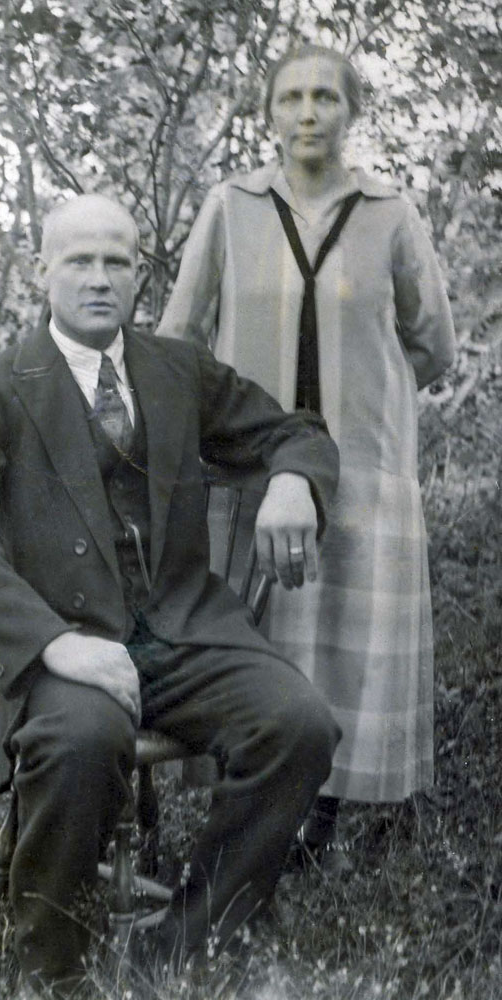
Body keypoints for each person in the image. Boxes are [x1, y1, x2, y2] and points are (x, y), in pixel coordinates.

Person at [0, 193, 341, 998]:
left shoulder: (177, 369)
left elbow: (296, 431)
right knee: (80, 740)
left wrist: (293, 482)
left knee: (299, 725)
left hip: (180, 629)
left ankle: (189, 939)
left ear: (139, 273)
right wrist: (54, 644)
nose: (99, 277)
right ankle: (54, 962)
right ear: (42, 271)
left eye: (117, 261)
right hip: (59, 641)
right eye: (79, 260)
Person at [157, 45, 456, 861]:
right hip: (248, 470)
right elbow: (179, 336)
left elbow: (432, 344)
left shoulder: (391, 213)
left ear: (352, 110)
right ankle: (250, 809)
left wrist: (368, 402)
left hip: (362, 470)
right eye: (291, 97)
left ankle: (321, 817)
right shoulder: (231, 206)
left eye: (326, 95)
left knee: (343, 647)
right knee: (257, 636)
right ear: (269, 113)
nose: (309, 112)